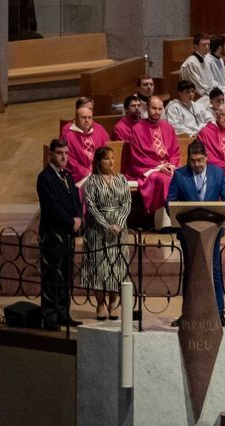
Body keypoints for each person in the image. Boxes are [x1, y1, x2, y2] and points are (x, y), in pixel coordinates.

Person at [168, 140, 225, 324]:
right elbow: (170, 202)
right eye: (192, 161)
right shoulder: (180, 175)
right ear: (188, 159)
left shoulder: (217, 173)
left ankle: (219, 313)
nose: (196, 164)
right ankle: (188, 314)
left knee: (214, 270)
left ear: (206, 158)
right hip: (188, 233)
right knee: (190, 270)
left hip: (212, 233)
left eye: (200, 160)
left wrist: (222, 224)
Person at [80, 144, 132, 320]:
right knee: (99, 266)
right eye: (106, 158)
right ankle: (100, 304)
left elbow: (127, 202)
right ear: (98, 162)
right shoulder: (92, 181)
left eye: (112, 158)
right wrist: (106, 225)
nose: (110, 161)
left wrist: (118, 223)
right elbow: (91, 206)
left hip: (119, 229)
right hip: (98, 231)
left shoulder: (121, 179)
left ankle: (113, 304)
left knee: (116, 267)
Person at [35, 137, 81, 330]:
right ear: (51, 154)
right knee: (52, 275)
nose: (63, 157)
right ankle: (50, 317)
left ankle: (63, 313)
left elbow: (75, 201)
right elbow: (51, 206)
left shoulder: (68, 176)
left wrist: (78, 217)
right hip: (53, 234)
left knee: (65, 276)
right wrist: (71, 221)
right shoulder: (45, 177)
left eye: (66, 153)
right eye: (60, 153)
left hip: (68, 234)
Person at [125, 95, 180, 215]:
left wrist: (171, 165)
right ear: (146, 108)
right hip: (148, 170)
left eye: (160, 109)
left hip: (168, 167)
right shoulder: (137, 129)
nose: (157, 112)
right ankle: (167, 221)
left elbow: (175, 151)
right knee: (165, 180)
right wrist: (159, 167)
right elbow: (137, 157)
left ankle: (184, 217)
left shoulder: (168, 128)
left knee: (184, 177)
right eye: (154, 108)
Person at [61, 101, 109, 184]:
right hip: (81, 178)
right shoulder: (68, 136)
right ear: (76, 118)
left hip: (100, 174)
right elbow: (69, 160)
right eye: (83, 117)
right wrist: (87, 174)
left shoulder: (99, 132)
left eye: (89, 117)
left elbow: (108, 152)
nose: (87, 120)